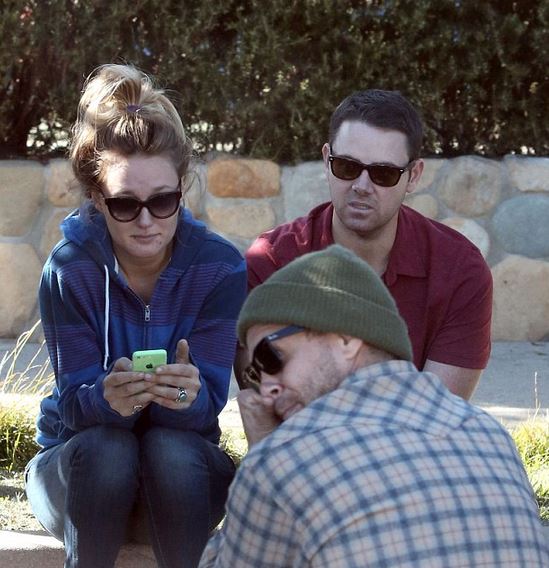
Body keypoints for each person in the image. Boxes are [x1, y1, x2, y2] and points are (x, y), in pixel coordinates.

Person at [25, 64, 247, 568]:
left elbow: (207, 410)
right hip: (82, 480)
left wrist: (183, 397)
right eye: (125, 204)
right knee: (108, 449)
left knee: (170, 450)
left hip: (179, 484)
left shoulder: (220, 268)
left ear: (182, 189)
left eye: (163, 201)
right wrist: (106, 400)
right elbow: (73, 409)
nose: (146, 221)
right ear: (97, 199)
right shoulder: (69, 269)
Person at [201, 245, 547, 567]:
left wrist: (265, 448)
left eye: (270, 356)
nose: (265, 388)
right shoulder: (490, 435)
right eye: (254, 373)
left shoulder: (284, 461)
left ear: (346, 339)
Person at [242, 89, 492, 400]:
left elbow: (436, 415)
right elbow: (268, 402)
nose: (362, 186)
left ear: (414, 176)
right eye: (347, 166)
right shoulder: (272, 260)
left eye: (383, 174)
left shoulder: (459, 271)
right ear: (326, 160)